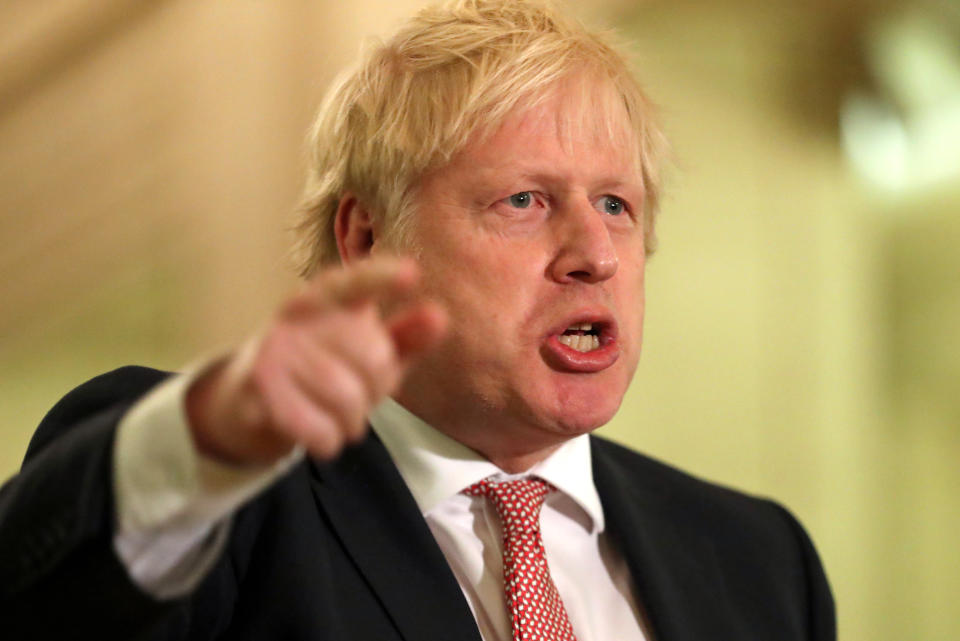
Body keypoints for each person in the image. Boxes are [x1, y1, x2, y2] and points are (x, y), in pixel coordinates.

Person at [0, 1, 835, 639]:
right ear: (367, 238)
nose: (595, 252)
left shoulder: (759, 562)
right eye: (525, 200)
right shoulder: (232, 507)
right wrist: (203, 443)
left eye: (616, 203)